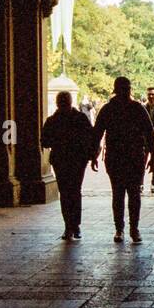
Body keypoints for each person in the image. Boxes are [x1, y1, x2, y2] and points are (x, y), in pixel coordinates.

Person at [91, 75, 154, 243]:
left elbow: (97, 134)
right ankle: (133, 229)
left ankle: (121, 229)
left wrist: (93, 155)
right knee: (133, 194)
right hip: (133, 157)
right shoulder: (137, 108)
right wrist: (153, 156)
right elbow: (149, 133)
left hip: (116, 157)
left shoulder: (107, 109)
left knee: (118, 194)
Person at [42, 90, 95, 240]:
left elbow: (45, 141)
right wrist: (90, 155)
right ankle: (75, 226)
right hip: (77, 160)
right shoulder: (80, 118)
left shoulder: (52, 120)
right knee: (74, 192)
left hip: (61, 160)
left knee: (65, 193)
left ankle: (69, 226)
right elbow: (90, 137)